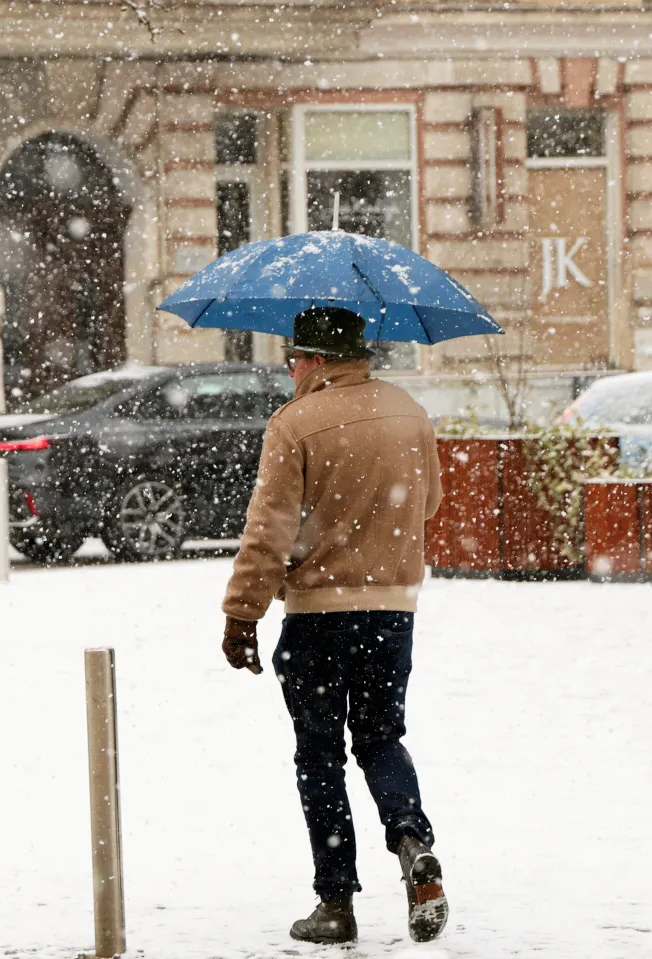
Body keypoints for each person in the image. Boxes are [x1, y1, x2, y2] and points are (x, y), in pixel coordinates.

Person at [221, 306, 446, 945]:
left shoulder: (293, 425)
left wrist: (242, 614)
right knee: (380, 738)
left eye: (294, 358)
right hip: (391, 612)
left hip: (318, 616)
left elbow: (269, 530)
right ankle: (409, 837)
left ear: (317, 359)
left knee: (319, 755)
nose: (290, 370)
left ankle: (336, 903)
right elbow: (427, 503)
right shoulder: (409, 411)